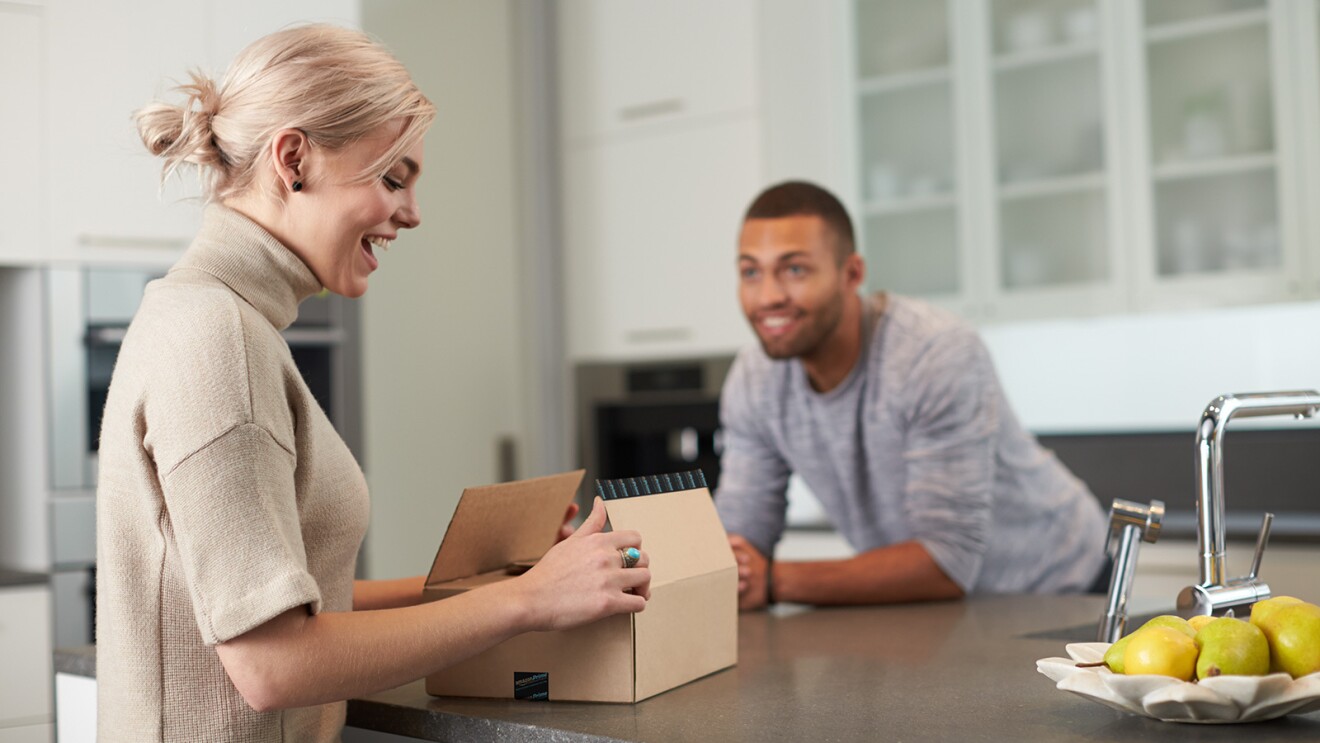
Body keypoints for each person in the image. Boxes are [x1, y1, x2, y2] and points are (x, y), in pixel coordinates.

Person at [96, 24, 650, 742]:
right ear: (292, 159)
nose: (412, 213)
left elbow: (291, 603)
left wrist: (498, 585)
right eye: (393, 178)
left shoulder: (217, 319)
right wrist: (531, 603)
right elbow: (273, 663)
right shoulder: (219, 338)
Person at [715, 180, 1109, 610]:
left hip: (1061, 585)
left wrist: (773, 580)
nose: (768, 296)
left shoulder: (932, 352)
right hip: (942, 606)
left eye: (794, 270)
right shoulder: (753, 381)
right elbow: (738, 540)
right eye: (751, 272)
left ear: (852, 274)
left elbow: (948, 560)